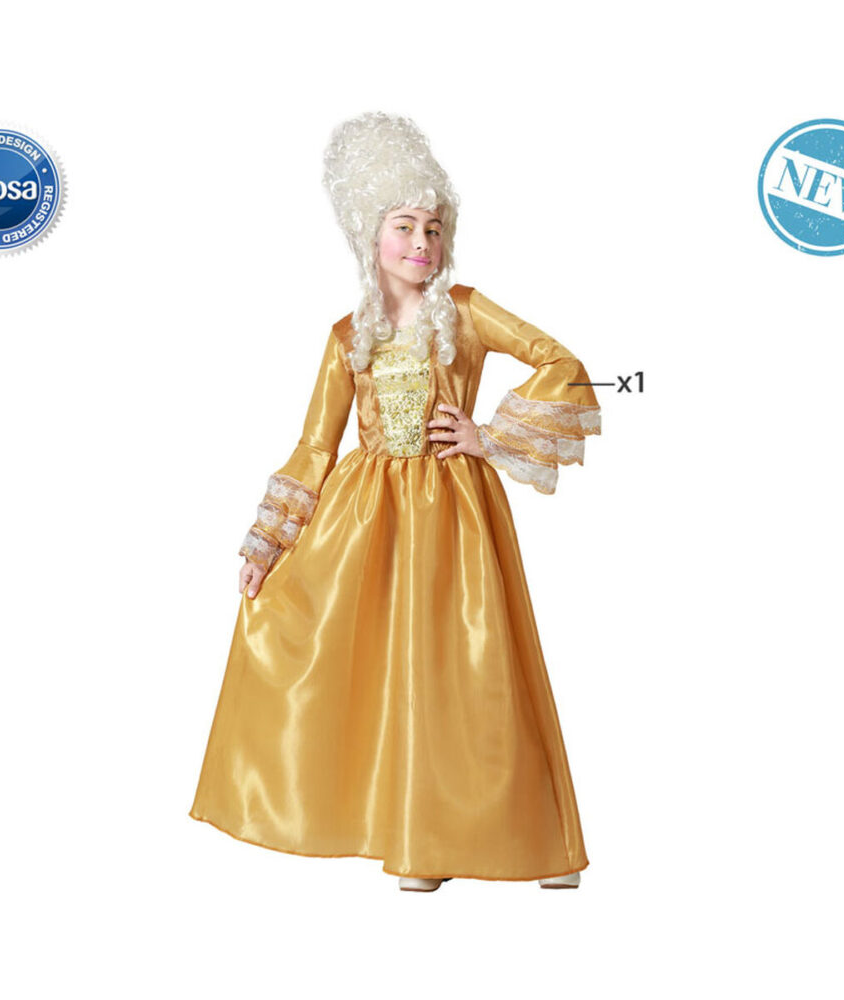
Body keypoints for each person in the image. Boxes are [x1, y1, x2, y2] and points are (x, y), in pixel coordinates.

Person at [189, 112, 601, 892]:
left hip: (454, 513)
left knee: (474, 669)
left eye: (434, 229)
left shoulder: (467, 312)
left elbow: (561, 361)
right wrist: (267, 545)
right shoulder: (347, 335)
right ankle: (418, 841)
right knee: (388, 677)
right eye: (404, 226)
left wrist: (488, 436)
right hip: (367, 523)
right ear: (369, 237)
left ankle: (531, 842)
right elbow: (316, 447)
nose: (421, 243)